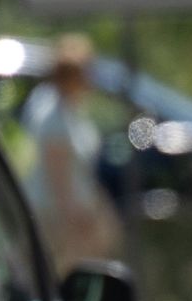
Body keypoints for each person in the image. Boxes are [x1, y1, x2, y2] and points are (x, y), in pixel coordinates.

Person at [22, 34, 120, 271]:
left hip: (73, 210)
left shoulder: (67, 109)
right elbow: (59, 180)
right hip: (59, 216)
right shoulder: (54, 117)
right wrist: (74, 221)